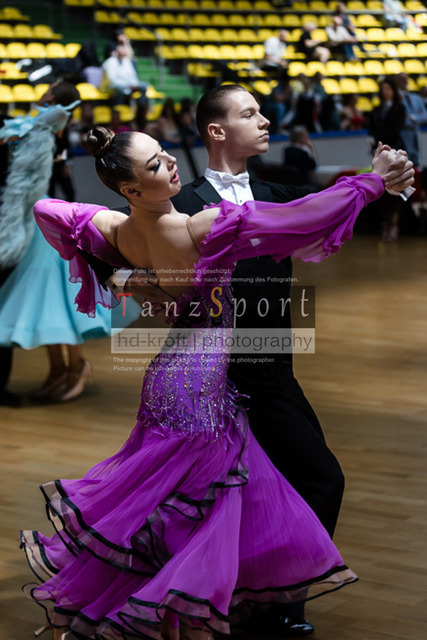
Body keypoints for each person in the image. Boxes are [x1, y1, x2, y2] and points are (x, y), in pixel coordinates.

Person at [23, 125, 412, 640]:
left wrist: (124, 275)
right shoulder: (200, 226)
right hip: (203, 380)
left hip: (167, 376)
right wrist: (371, 182)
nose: (170, 163)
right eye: (156, 164)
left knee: (173, 498)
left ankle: (194, 597)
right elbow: (301, 217)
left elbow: (47, 210)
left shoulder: (115, 227)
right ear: (132, 188)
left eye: (164, 153)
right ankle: (194, 600)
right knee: (209, 504)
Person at [0, 82, 113, 403]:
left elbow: (51, 180)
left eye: (48, 95)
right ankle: (59, 370)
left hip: (44, 220)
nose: (41, 97)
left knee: (57, 298)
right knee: (43, 299)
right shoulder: (37, 130)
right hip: (33, 221)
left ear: (56, 102)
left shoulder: (48, 133)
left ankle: (76, 367)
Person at [368, 78, 407, 241]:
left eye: (388, 89)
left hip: (394, 151)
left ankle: (394, 225)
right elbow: (371, 128)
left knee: (395, 187)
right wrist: (373, 139)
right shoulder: (376, 110)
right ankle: (384, 225)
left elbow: (395, 130)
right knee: (380, 187)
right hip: (379, 152)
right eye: (383, 89)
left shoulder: (400, 109)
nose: (385, 92)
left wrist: (377, 137)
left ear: (393, 91)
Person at [100, 42, 148, 106]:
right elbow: (112, 80)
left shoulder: (127, 61)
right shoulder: (110, 62)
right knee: (120, 88)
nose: (123, 53)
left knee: (144, 86)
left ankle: (141, 107)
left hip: (127, 86)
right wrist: (127, 85)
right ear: (117, 52)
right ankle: (118, 107)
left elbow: (132, 76)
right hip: (109, 87)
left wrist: (134, 84)